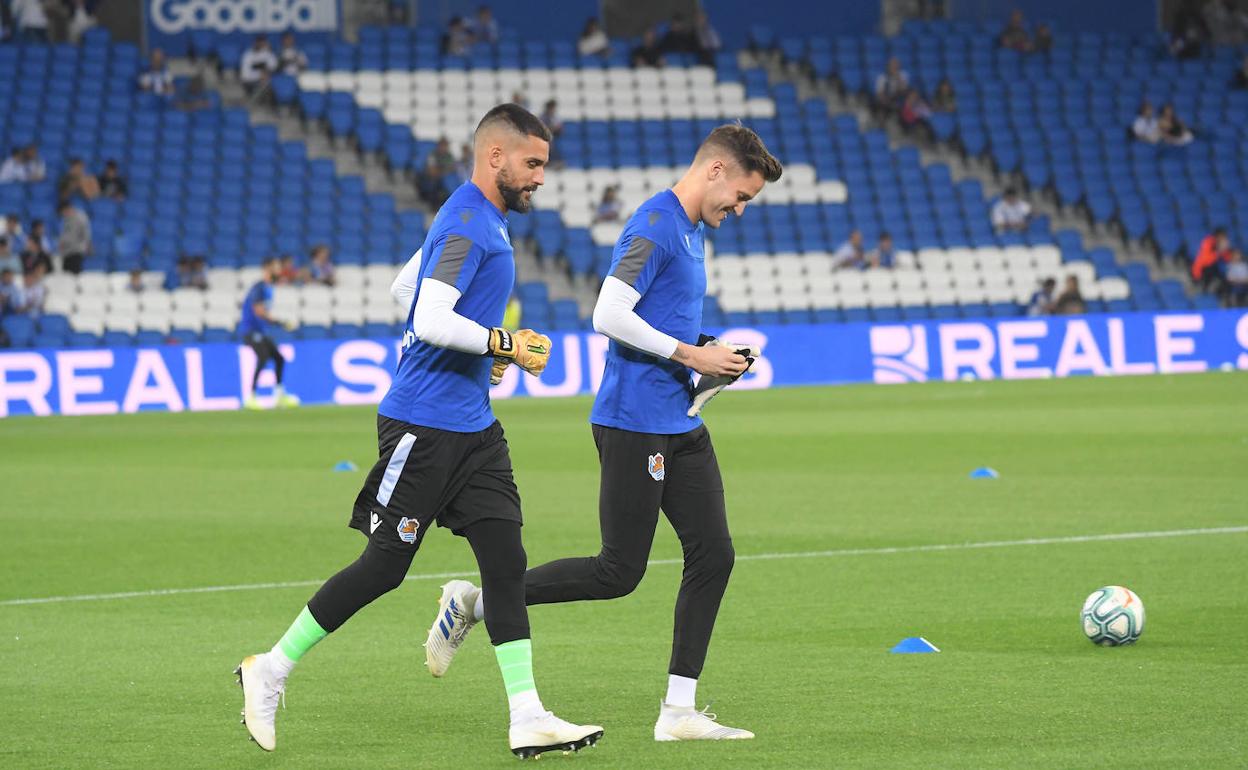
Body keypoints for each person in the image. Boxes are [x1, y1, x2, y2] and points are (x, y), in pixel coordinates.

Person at [236, 103, 603, 759]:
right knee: (383, 568)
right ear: (496, 156)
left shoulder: (470, 215)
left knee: (506, 560)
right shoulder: (468, 221)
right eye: (533, 163)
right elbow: (430, 316)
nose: (541, 178)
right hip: (423, 426)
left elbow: (402, 290)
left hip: (474, 429)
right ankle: (272, 668)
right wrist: (502, 342)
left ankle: (527, 716)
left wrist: (480, 354)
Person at [425, 122, 783, 743]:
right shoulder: (654, 224)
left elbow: (660, 320)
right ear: (716, 171)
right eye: (742, 195)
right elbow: (608, 314)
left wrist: (708, 353)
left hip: (679, 421)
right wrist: (690, 355)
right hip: (632, 423)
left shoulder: (692, 232)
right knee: (618, 572)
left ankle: (678, 712)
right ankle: (477, 601)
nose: (741, 209)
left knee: (714, 554)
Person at [238, 257, 298, 410]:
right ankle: (251, 396)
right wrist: (280, 322)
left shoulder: (268, 288)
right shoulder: (259, 288)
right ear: (267, 269)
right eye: (276, 267)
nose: (279, 270)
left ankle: (279, 396)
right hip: (251, 331)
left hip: (261, 332)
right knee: (263, 358)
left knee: (279, 358)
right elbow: (259, 311)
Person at [1191, 227, 1232, 292]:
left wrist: (1226, 249)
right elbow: (1206, 259)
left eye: (1224, 236)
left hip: (1213, 267)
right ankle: (1204, 291)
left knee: (1225, 280)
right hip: (1202, 267)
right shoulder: (1208, 241)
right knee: (1208, 274)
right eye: (1222, 236)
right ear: (1217, 235)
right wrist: (1219, 250)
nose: (1223, 238)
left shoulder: (1221, 244)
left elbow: (1227, 259)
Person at [56, 200, 91, 274]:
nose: (63, 215)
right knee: (66, 277)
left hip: (76, 252)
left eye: (63, 212)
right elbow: (66, 234)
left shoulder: (81, 218)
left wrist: (84, 245)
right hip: (66, 252)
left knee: (74, 276)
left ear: (67, 209)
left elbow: (85, 235)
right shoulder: (67, 219)